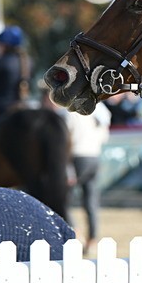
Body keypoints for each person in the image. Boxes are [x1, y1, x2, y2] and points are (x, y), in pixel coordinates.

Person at [59, 99, 112, 249]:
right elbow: (105, 134)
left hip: (77, 156)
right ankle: (93, 238)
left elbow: (65, 139)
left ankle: (75, 231)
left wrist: (67, 167)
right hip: (94, 155)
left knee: (64, 198)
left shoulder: (69, 109)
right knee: (91, 201)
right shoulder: (99, 108)